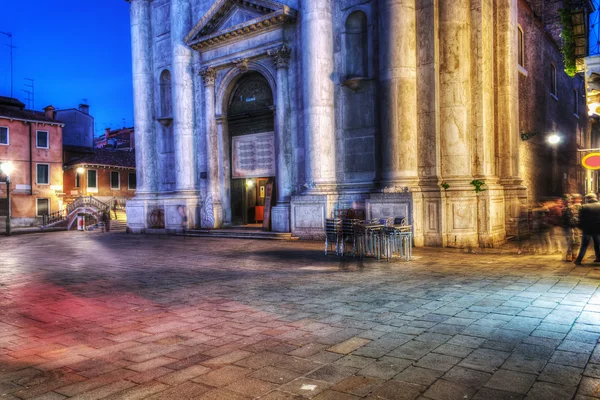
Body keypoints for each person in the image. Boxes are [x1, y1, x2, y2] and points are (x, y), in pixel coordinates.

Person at [574, 193, 600, 265]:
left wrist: (581, 227)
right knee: (597, 244)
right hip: (598, 229)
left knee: (584, 245)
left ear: (588, 198)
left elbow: (580, 219)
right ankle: (598, 257)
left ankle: (578, 260)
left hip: (587, 229)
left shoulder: (584, 207)